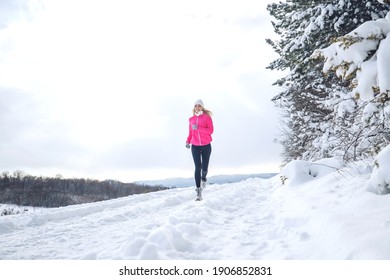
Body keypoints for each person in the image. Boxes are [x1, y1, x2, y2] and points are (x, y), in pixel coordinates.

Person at [186, 99, 214, 200]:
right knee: (197, 167)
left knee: (204, 168)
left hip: (206, 145)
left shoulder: (207, 117)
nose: (197, 107)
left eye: (199, 106)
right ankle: (198, 191)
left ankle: (203, 178)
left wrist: (198, 128)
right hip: (195, 145)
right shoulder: (191, 119)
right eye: (196, 106)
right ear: (194, 107)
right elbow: (190, 132)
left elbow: (210, 131)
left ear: (202, 107)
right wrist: (188, 141)